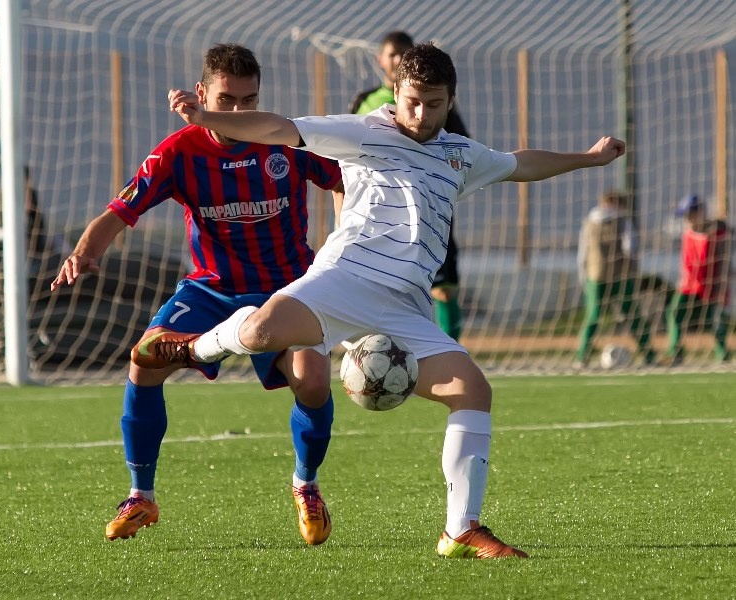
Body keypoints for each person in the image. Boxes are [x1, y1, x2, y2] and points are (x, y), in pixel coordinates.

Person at [148, 42, 626, 559]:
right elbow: (277, 128)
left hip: (405, 306)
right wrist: (207, 117)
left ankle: (461, 529)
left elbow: (520, 163)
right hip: (341, 280)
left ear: (450, 102)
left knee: (473, 392)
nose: (420, 115)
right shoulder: (361, 131)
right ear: (395, 93)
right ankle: (194, 350)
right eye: (412, 101)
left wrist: (588, 158)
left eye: (434, 104)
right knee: (262, 333)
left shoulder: (461, 155)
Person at [51, 44, 343, 545]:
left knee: (311, 381)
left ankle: (306, 485)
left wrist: (341, 242)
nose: (237, 111)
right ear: (203, 93)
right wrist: (84, 251)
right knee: (143, 362)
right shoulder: (178, 151)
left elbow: (341, 179)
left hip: (290, 287)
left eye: (248, 100)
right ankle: (141, 495)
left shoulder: (286, 140)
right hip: (212, 288)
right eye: (226, 100)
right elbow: (121, 211)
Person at [350, 31, 465, 340]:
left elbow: (461, 152)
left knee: (442, 289)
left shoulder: (439, 106)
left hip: (428, 210)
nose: (397, 59)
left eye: (403, 53)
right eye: (391, 54)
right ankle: (371, 352)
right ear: (380, 59)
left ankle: (449, 348)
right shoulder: (365, 103)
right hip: (376, 214)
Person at [574, 190, 656, 367]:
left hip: (595, 275)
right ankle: (649, 355)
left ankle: (581, 358)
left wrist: (583, 276)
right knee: (632, 316)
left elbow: (582, 254)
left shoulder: (589, 222)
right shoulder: (623, 221)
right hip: (621, 276)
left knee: (594, 317)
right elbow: (630, 248)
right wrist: (633, 269)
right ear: (617, 204)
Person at [664, 194, 732, 364]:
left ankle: (723, 354)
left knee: (715, 320)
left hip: (711, 285)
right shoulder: (688, 233)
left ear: (701, 212)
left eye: (690, 215)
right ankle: (675, 353)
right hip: (688, 285)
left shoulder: (718, 234)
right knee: (675, 313)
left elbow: (724, 262)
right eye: (686, 216)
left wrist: (721, 284)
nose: (687, 220)